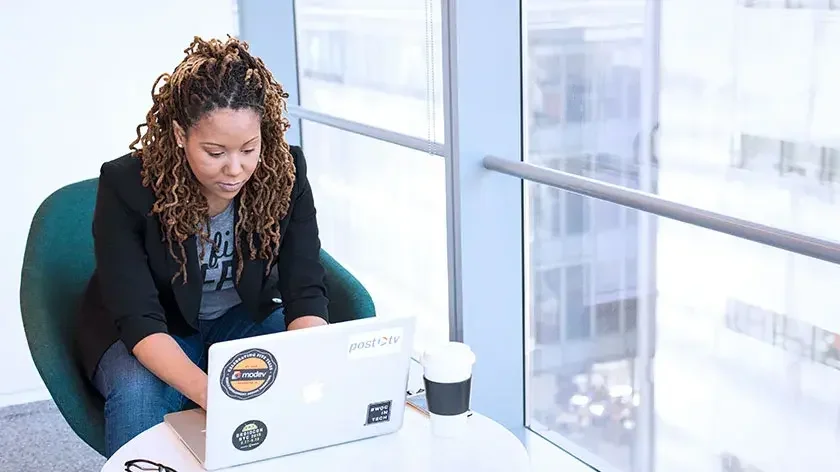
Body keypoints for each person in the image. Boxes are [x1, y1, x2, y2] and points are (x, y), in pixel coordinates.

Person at [74, 36, 329, 456]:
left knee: (305, 375)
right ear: (179, 134)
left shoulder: (286, 172)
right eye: (214, 152)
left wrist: (315, 362)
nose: (236, 168)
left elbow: (305, 289)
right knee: (141, 393)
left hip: (238, 318)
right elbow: (138, 317)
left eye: (249, 149)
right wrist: (218, 395)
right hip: (152, 328)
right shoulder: (127, 185)